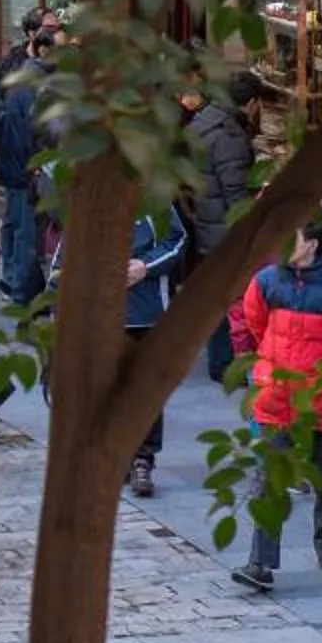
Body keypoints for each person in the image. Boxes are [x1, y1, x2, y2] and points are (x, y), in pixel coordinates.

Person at [231, 222, 322, 591]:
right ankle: (260, 562)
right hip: (276, 399)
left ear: (311, 245)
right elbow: (256, 324)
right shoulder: (265, 282)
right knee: (269, 483)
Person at [187, 70, 267, 381]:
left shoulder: (205, 120)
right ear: (251, 103)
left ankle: (220, 360)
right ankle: (224, 363)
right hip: (222, 226)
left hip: (207, 219)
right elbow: (234, 190)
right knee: (228, 297)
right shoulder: (230, 136)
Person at [0, 12, 57, 306]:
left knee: (14, 225)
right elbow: (32, 130)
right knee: (25, 231)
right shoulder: (31, 81)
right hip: (24, 168)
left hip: (15, 164)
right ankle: (21, 290)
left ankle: (12, 281)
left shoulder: (27, 76)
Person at [123, 202, 189, 498]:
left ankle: (142, 459)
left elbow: (177, 241)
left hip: (145, 315)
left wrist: (144, 266)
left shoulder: (154, 200)